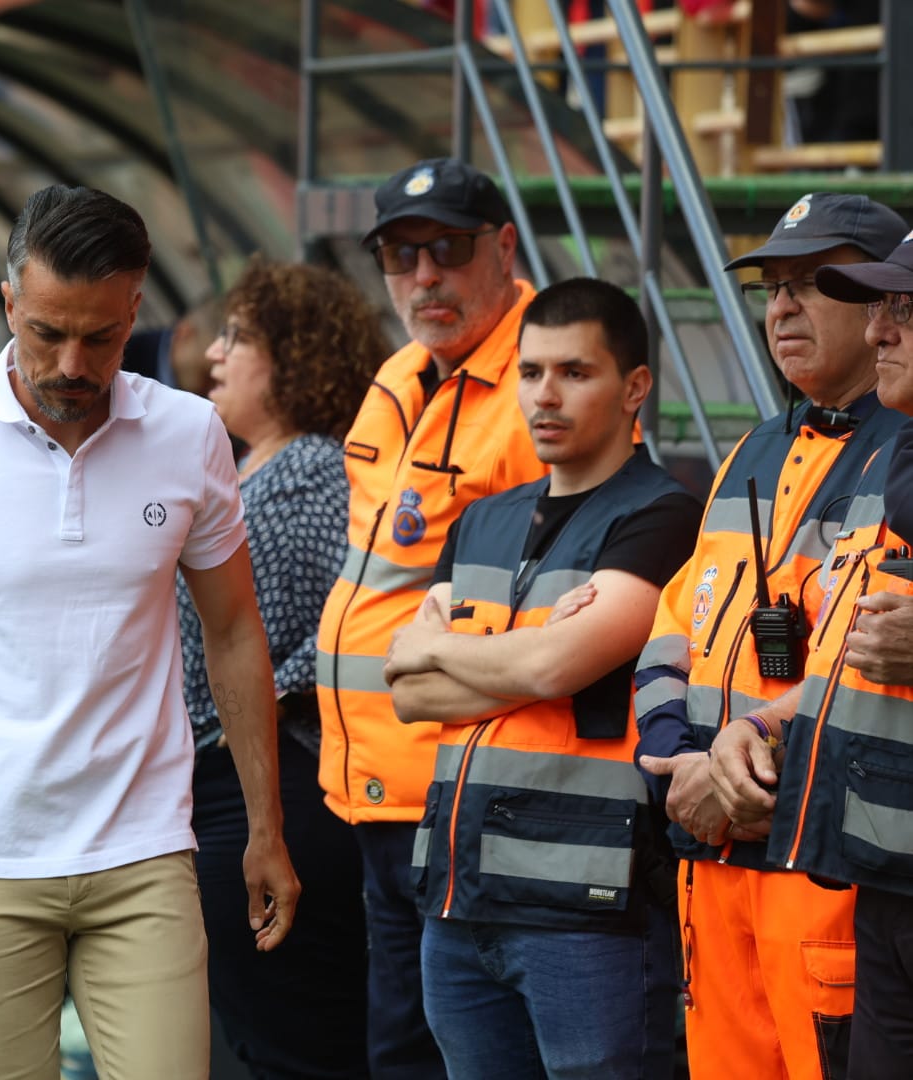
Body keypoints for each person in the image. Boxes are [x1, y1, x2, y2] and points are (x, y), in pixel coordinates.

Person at [0, 184, 299, 1080]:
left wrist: (265, 827)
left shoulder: (190, 434)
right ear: (8, 302)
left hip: (144, 847)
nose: (74, 361)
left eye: (102, 336)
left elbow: (234, 633)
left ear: (136, 310)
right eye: (47, 331)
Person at [385, 278, 700, 1079]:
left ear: (635, 388)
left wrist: (480, 651)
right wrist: (531, 656)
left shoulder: (661, 515)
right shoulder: (483, 519)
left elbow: (558, 663)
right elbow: (407, 685)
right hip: (457, 901)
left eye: (574, 372)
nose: (544, 396)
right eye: (530, 373)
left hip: (584, 907)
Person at [632, 192, 908, 1080]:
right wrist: (675, 756)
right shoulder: (752, 447)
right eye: (772, 288)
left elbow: (864, 664)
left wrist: (741, 767)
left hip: (816, 865)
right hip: (709, 852)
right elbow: (673, 627)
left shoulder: (902, 452)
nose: (780, 307)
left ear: (879, 305)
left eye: (809, 284)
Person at [314, 155, 545, 1077]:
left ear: (502, 248)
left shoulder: (540, 378)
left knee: (462, 1052)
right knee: (401, 1047)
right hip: (377, 786)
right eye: (400, 259)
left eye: (446, 251)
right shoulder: (400, 375)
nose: (423, 279)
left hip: (467, 786)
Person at [706, 237, 913, 1080]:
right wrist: (725, 736)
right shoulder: (769, 450)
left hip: (828, 872)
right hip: (877, 874)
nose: (879, 333)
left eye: (902, 309)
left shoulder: (883, 453)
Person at [175, 256, 384, 1079]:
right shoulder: (243, 471)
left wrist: (258, 700)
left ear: (296, 358)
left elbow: (348, 620)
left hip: (279, 786)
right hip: (233, 779)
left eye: (239, 338)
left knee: (298, 1043)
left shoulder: (317, 472)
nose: (214, 355)